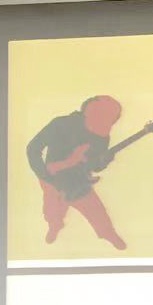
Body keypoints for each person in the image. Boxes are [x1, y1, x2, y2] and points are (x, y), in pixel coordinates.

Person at [26, 95, 130, 249]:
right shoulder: (60, 124)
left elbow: (94, 165)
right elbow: (32, 149)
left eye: (110, 120)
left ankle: (108, 234)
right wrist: (46, 177)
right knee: (52, 212)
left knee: (98, 215)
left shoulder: (102, 136)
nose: (106, 124)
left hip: (78, 182)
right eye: (104, 117)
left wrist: (104, 161)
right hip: (52, 179)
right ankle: (55, 227)